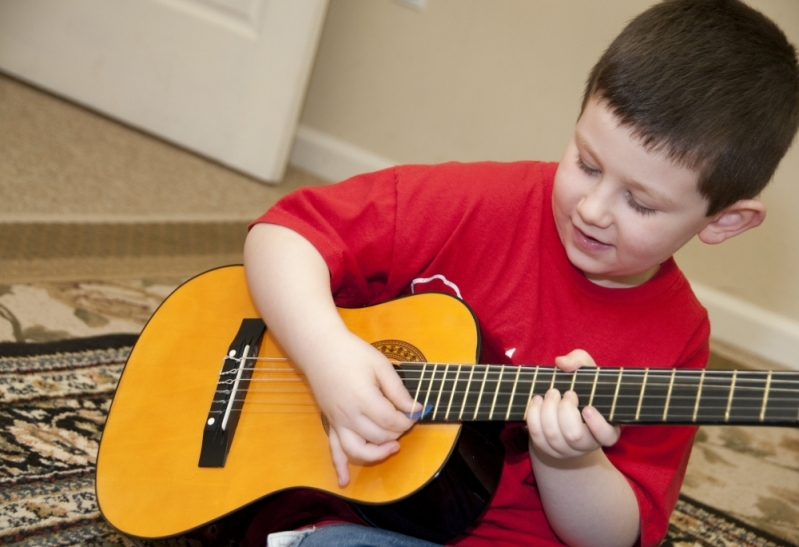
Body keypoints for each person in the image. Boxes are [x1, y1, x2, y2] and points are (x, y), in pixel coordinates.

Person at [243, 0, 799, 545]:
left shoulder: (677, 338)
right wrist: (325, 354)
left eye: (641, 203)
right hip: (349, 509)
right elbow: (283, 235)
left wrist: (573, 461)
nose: (593, 209)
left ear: (724, 221)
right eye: (586, 164)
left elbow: (617, 535)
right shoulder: (481, 203)